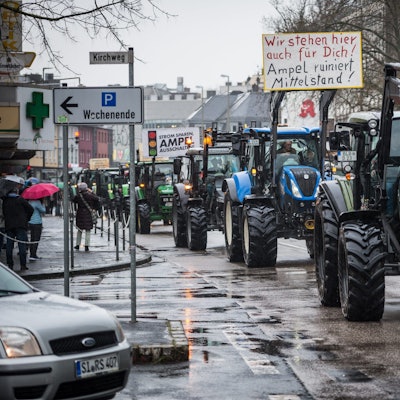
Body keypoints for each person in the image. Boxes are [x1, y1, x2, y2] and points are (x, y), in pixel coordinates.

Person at [3, 186, 34, 270]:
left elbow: (3, 213)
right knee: (22, 245)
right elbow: (31, 209)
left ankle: (10, 265)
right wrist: (27, 218)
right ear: (16, 191)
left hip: (9, 225)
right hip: (21, 225)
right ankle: (23, 265)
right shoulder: (20, 199)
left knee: (9, 245)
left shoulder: (5, 201)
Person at [73, 182, 100, 252]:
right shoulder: (90, 195)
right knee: (88, 230)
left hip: (80, 214)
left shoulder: (78, 196)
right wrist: (92, 192)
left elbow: (73, 200)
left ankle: (77, 245)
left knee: (79, 230)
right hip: (88, 213)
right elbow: (97, 199)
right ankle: (86, 246)